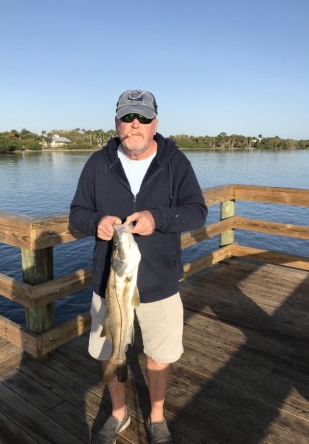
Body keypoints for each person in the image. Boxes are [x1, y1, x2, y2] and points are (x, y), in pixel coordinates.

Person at [69, 89, 208, 444]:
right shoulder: (98, 164)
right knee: (108, 351)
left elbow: (197, 211)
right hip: (110, 285)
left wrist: (158, 217)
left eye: (143, 118)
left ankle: (157, 417)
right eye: (128, 117)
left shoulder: (175, 163)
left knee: (159, 356)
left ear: (155, 123)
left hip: (161, 283)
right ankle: (119, 414)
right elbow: (76, 215)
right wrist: (95, 222)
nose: (135, 124)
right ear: (116, 123)